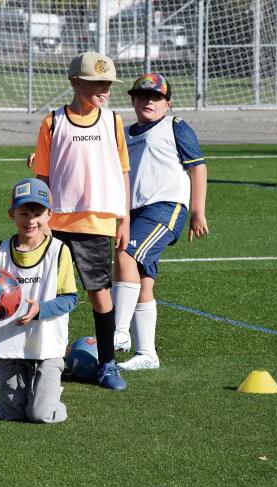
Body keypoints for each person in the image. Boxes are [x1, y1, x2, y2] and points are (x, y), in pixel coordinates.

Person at [30, 51, 131, 390]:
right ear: (75, 82)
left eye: (108, 83)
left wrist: (124, 219)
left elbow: (123, 173)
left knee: (99, 295)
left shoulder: (113, 120)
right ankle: (30, 361)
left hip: (96, 224)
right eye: (96, 83)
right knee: (43, 293)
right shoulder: (53, 122)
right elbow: (41, 178)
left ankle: (107, 364)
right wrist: (40, 221)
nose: (105, 89)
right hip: (55, 224)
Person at [111, 73, 209, 371]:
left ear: (167, 103)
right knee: (142, 279)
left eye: (155, 97)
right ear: (132, 100)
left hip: (165, 208)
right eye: (142, 96)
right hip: (136, 213)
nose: (148, 101)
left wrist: (197, 211)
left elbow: (199, 167)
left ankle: (118, 333)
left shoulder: (175, 126)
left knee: (125, 252)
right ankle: (147, 354)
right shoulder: (125, 133)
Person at [0, 178, 78, 423]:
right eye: (24, 212)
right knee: (9, 414)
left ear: (49, 216)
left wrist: (40, 310)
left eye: (38, 213)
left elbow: (70, 299)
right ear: (11, 214)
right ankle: (29, 392)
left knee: (40, 415)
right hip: (10, 347)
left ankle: (50, 394)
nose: (31, 220)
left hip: (45, 347)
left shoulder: (58, 251)